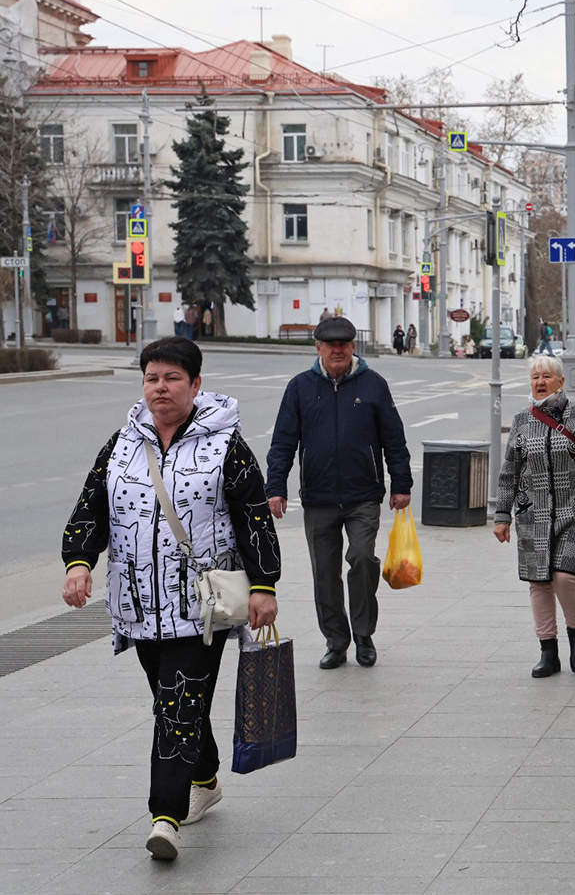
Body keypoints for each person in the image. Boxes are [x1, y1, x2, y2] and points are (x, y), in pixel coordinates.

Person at [60, 336, 280, 861]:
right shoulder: (121, 444)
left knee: (177, 700)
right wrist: (79, 563)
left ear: (195, 384)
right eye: (152, 378)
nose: (161, 387)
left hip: (201, 608)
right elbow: (91, 510)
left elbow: (254, 519)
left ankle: (165, 816)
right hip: (137, 605)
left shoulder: (226, 446)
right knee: (174, 701)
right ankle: (204, 775)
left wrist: (265, 586)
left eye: (173, 378)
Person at [266, 316, 413, 670]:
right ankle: (336, 640)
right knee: (324, 573)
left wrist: (402, 483)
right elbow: (283, 441)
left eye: (344, 345)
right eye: (330, 345)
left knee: (363, 559)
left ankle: (363, 634)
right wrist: (276, 487)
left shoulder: (373, 385)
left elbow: (394, 438)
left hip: (363, 495)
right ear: (317, 347)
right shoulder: (300, 387)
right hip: (318, 498)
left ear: (352, 347)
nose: (337, 350)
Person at [494, 354, 575, 678]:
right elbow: (508, 473)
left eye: (547, 376)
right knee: (539, 583)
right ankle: (548, 651)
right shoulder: (521, 420)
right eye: (535, 377)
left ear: (561, 381)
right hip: (533, 515)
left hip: (574, 512)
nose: (540, 382)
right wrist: (502, 515)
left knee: (564, 576)